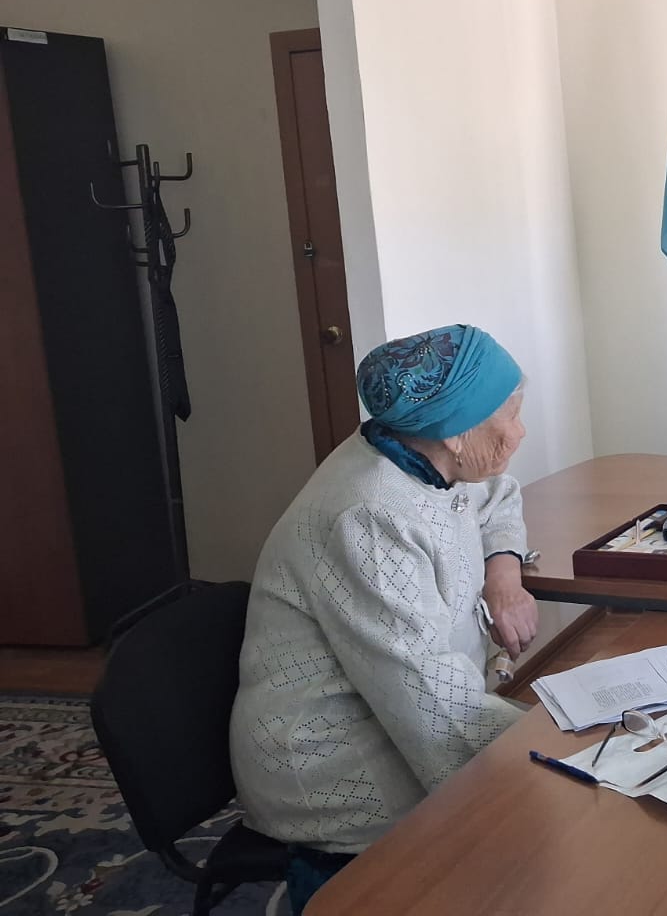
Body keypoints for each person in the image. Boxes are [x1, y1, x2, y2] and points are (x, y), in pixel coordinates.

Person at [230, 325, 540, 914]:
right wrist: (562, 746)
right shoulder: (369, 514)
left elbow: (499, 495)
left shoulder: (424, 454)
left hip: (402, 714)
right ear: (454, 432)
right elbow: (430, 705)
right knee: (542, 839)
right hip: (334, 760)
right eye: (510, 416)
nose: (520, 432)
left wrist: (504, 572)